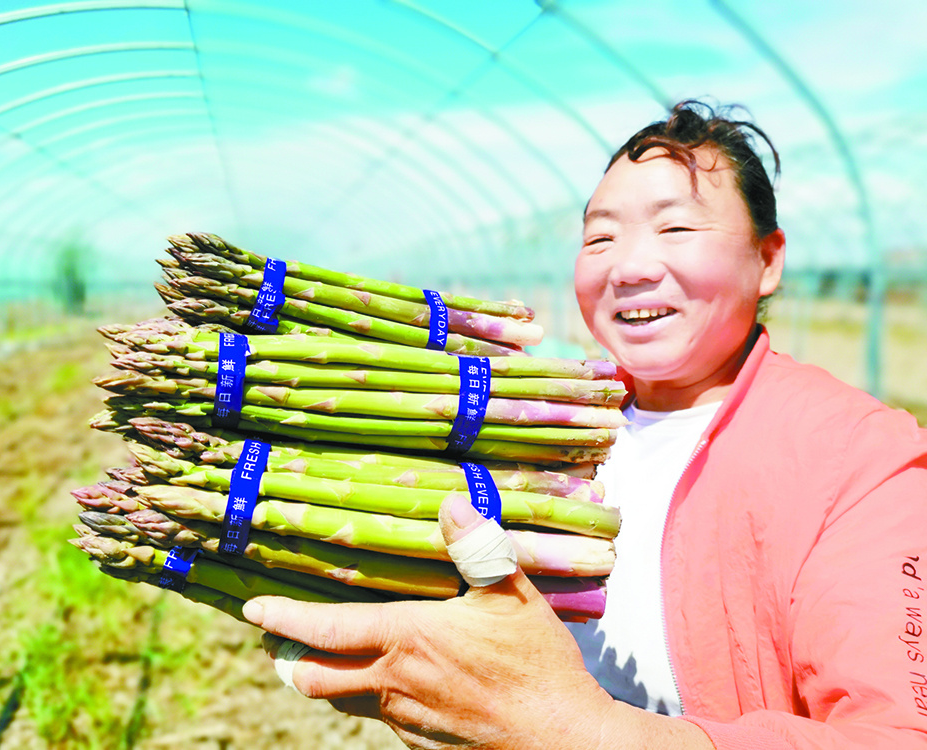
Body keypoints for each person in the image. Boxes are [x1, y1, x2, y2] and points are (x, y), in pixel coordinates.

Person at [242, 100, 927, 749]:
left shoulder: (864, 463)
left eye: (676, 228)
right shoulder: (543, 429)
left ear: (768, 259)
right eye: (599, 237)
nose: (628, 267)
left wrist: (581, 733)